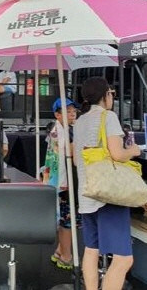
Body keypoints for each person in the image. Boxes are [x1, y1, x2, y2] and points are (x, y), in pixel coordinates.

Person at [74, 77, 140, 290]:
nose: (112, 97)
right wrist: (133, 151)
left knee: (91, 250)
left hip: (87, 193)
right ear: (105, 95)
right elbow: (118, 154)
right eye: (111, 93)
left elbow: (76, 159)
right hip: (108, 195)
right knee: (123, 259)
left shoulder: (80, 121)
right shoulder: (108, 117)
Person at [43, 97, 79, 270]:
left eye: (74, 111)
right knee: (67, 220)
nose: (72, 114)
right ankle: (66, 256)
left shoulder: (56, 129)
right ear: (57, 115)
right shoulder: (66, 133)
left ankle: (59, 251)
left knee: (66, 218)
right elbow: (73, 153)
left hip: (56, 180)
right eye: (67, 111)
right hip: (64, 183)